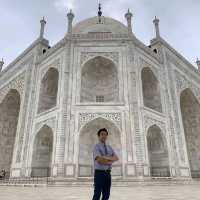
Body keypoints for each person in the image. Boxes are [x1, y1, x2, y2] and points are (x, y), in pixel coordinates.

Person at [92, 128, 119, 200]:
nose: (104, 136)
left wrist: (105, 157)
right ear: (98, 136)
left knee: (106, 194)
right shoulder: (96, 147)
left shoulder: (109, 147)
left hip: (108, 174)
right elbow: (99, 160)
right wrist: (110, 160)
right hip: (99, 173)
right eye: (102, 134)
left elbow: (116, 158)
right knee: (97, 194)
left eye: (105, 134)